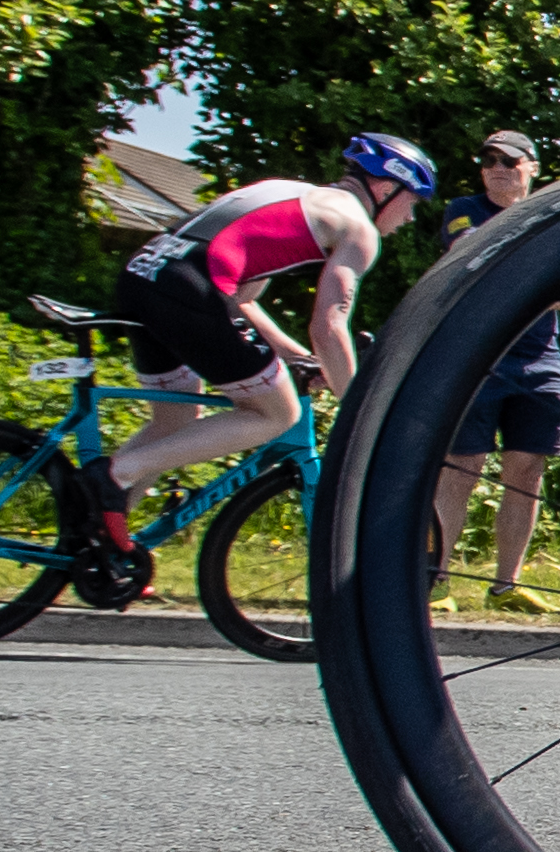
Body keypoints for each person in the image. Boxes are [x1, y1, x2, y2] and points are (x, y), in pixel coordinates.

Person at [82, 135, 436, 587]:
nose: (410, 217)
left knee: (174, 421)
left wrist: (297, 358)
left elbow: (244, 300)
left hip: (145, 275)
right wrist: (361, 406)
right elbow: (330, 328)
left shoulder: (288, 192)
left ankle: (92, 532)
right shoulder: (358, 229)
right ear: (386, 189)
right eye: (413, 201)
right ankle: (116, 474)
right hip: (191, 289)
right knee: (278, 412)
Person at [429, 131, 560, 615]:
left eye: (510, 160)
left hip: (540, 361)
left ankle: (506, 586)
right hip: (475, 357)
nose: (497, 167)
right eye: (489, 159)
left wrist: (512, 272)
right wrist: (542, 273)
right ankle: (435, 583)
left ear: (532, 167)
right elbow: (470, 261)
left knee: (526, 474)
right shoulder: (463, 209)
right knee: (459, 471)